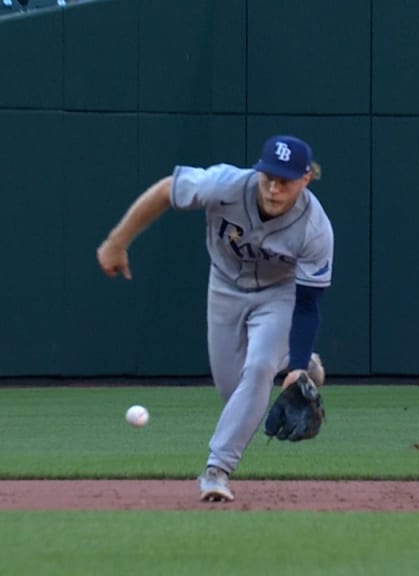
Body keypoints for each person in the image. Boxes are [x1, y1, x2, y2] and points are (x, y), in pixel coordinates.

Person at [96, 135, 334, 503]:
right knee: (234, 394)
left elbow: (307, 304)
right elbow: (165, 191)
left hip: (279, 295)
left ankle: (216, 469)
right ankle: (292, 362)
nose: (272, 187)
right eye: (267, 175)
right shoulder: (225, 185)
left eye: (284, 180)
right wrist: (117, 241)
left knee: (257, 370)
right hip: (224, 287)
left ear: (306, 178)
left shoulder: (315, 228)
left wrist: (297, 364)